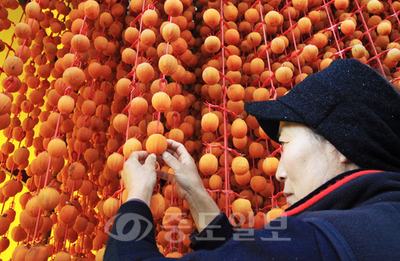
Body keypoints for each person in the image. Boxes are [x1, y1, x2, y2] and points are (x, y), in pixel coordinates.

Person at [104, 59, 400, 260]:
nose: (280, 172)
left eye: (285, 144)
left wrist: (138, 196)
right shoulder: (377, 226)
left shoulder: (317, 241)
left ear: (342, 145)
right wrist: (196, 195)